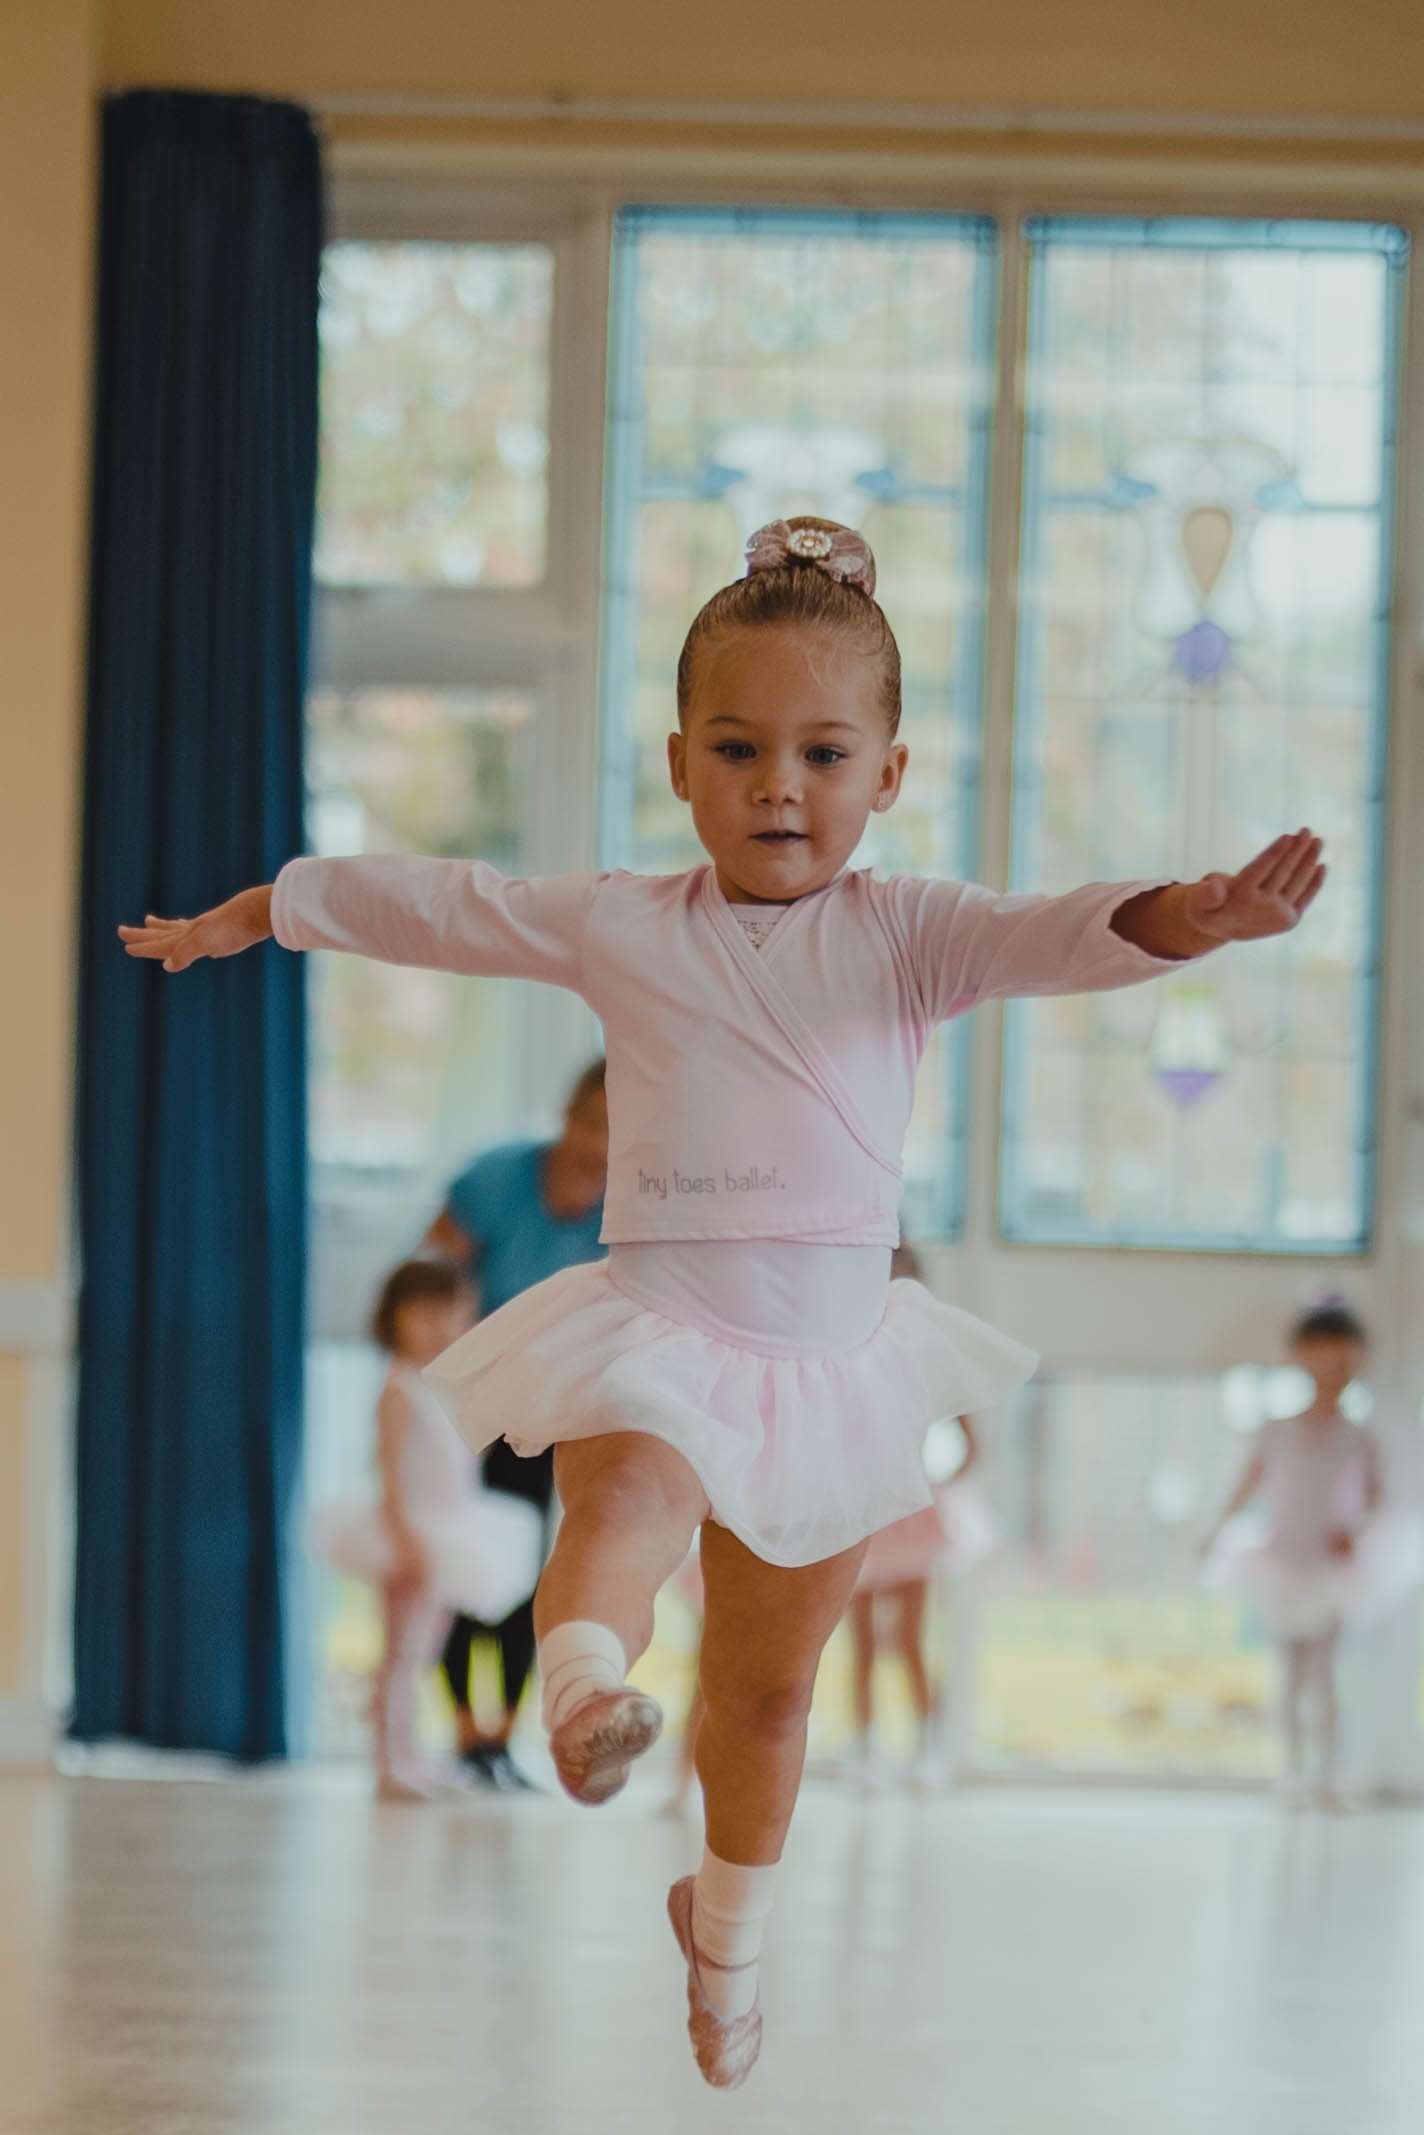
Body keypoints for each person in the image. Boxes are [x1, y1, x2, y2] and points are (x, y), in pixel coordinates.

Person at [122, 513, 1326, 2088]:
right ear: (681, 759)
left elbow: (1071, 930)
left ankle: (727, 1929)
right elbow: (450, 900)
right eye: (741, 748)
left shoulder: (912, 934)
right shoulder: (627, 919)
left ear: (887, 774)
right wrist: (274, 905)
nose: (781, 785)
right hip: (657, 1324)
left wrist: (1200, 913)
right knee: (617, 1503)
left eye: (826, 753)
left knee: (763, 1699)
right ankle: (582, 1697)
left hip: (829, 1365)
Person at [426, 1061, 608, 1790]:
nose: (600, 1142)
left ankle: (502, 1735)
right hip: (466, 1403)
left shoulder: (637, 1202)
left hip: (553, 1410)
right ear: (566, 1113)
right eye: (591, 1120)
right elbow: (432, 1276)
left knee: (524, 1570)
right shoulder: (495, 1179)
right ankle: (464, 1728)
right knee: (455, 1559)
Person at [307, 1258, 543, 1801]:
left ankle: (412, 1758)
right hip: (412, 1535)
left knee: (420, 1654)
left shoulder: (439, 1386)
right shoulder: (398, 1388)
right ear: (394, 1317)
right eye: (426, 1314)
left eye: (453, 1314)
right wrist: (407, 1539)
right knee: (400, 1653)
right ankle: (389, 1765)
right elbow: (390, 1477)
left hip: (447, 1532)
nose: (441, 1327)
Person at [1201, 1298, 1424, 1808]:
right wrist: (1216, 1530)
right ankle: (1293, 1773)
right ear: (1298, 1358)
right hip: (1281, 1562)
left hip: (1331, 1571)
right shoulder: (1276, 1429)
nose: (1334, 1370)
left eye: (1345, 1360)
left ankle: (1325, 1777)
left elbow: (1377, 1498)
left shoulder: (1359, 1435)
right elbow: (1246, 1486)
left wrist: (1358, 1530)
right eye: (1324, 1357)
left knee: (1325, 1676)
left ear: (1360, 1362)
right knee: (1289, 1673)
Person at [846, 1245, 997, 1792]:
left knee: (908, 1637)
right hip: (863, 1512)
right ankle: (863, 1751)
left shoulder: (929, 1359)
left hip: (908, 1514)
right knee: (860, 1640)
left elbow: (973, 1442)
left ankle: (927, 1751)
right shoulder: (852, 1350)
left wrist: (936, 1489)